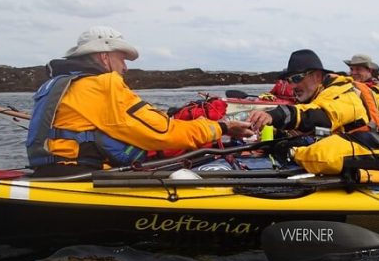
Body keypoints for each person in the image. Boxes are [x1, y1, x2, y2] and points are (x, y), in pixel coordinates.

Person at [26, 26, 251, 176]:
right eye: (121, 58)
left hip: (48, 170)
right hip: (81, 176)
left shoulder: (58, 84)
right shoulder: (103, 85)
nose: (125, 67)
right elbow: (163, 134)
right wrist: (221, 127)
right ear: (104, 57)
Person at [247, 49, 379, 137]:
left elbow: (322, 117)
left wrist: (276, 114)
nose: (292, 85)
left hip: (355, 163)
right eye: (289, 80)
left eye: (297, 78)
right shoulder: (316, 95)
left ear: (317, 76)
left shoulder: (346, 94)